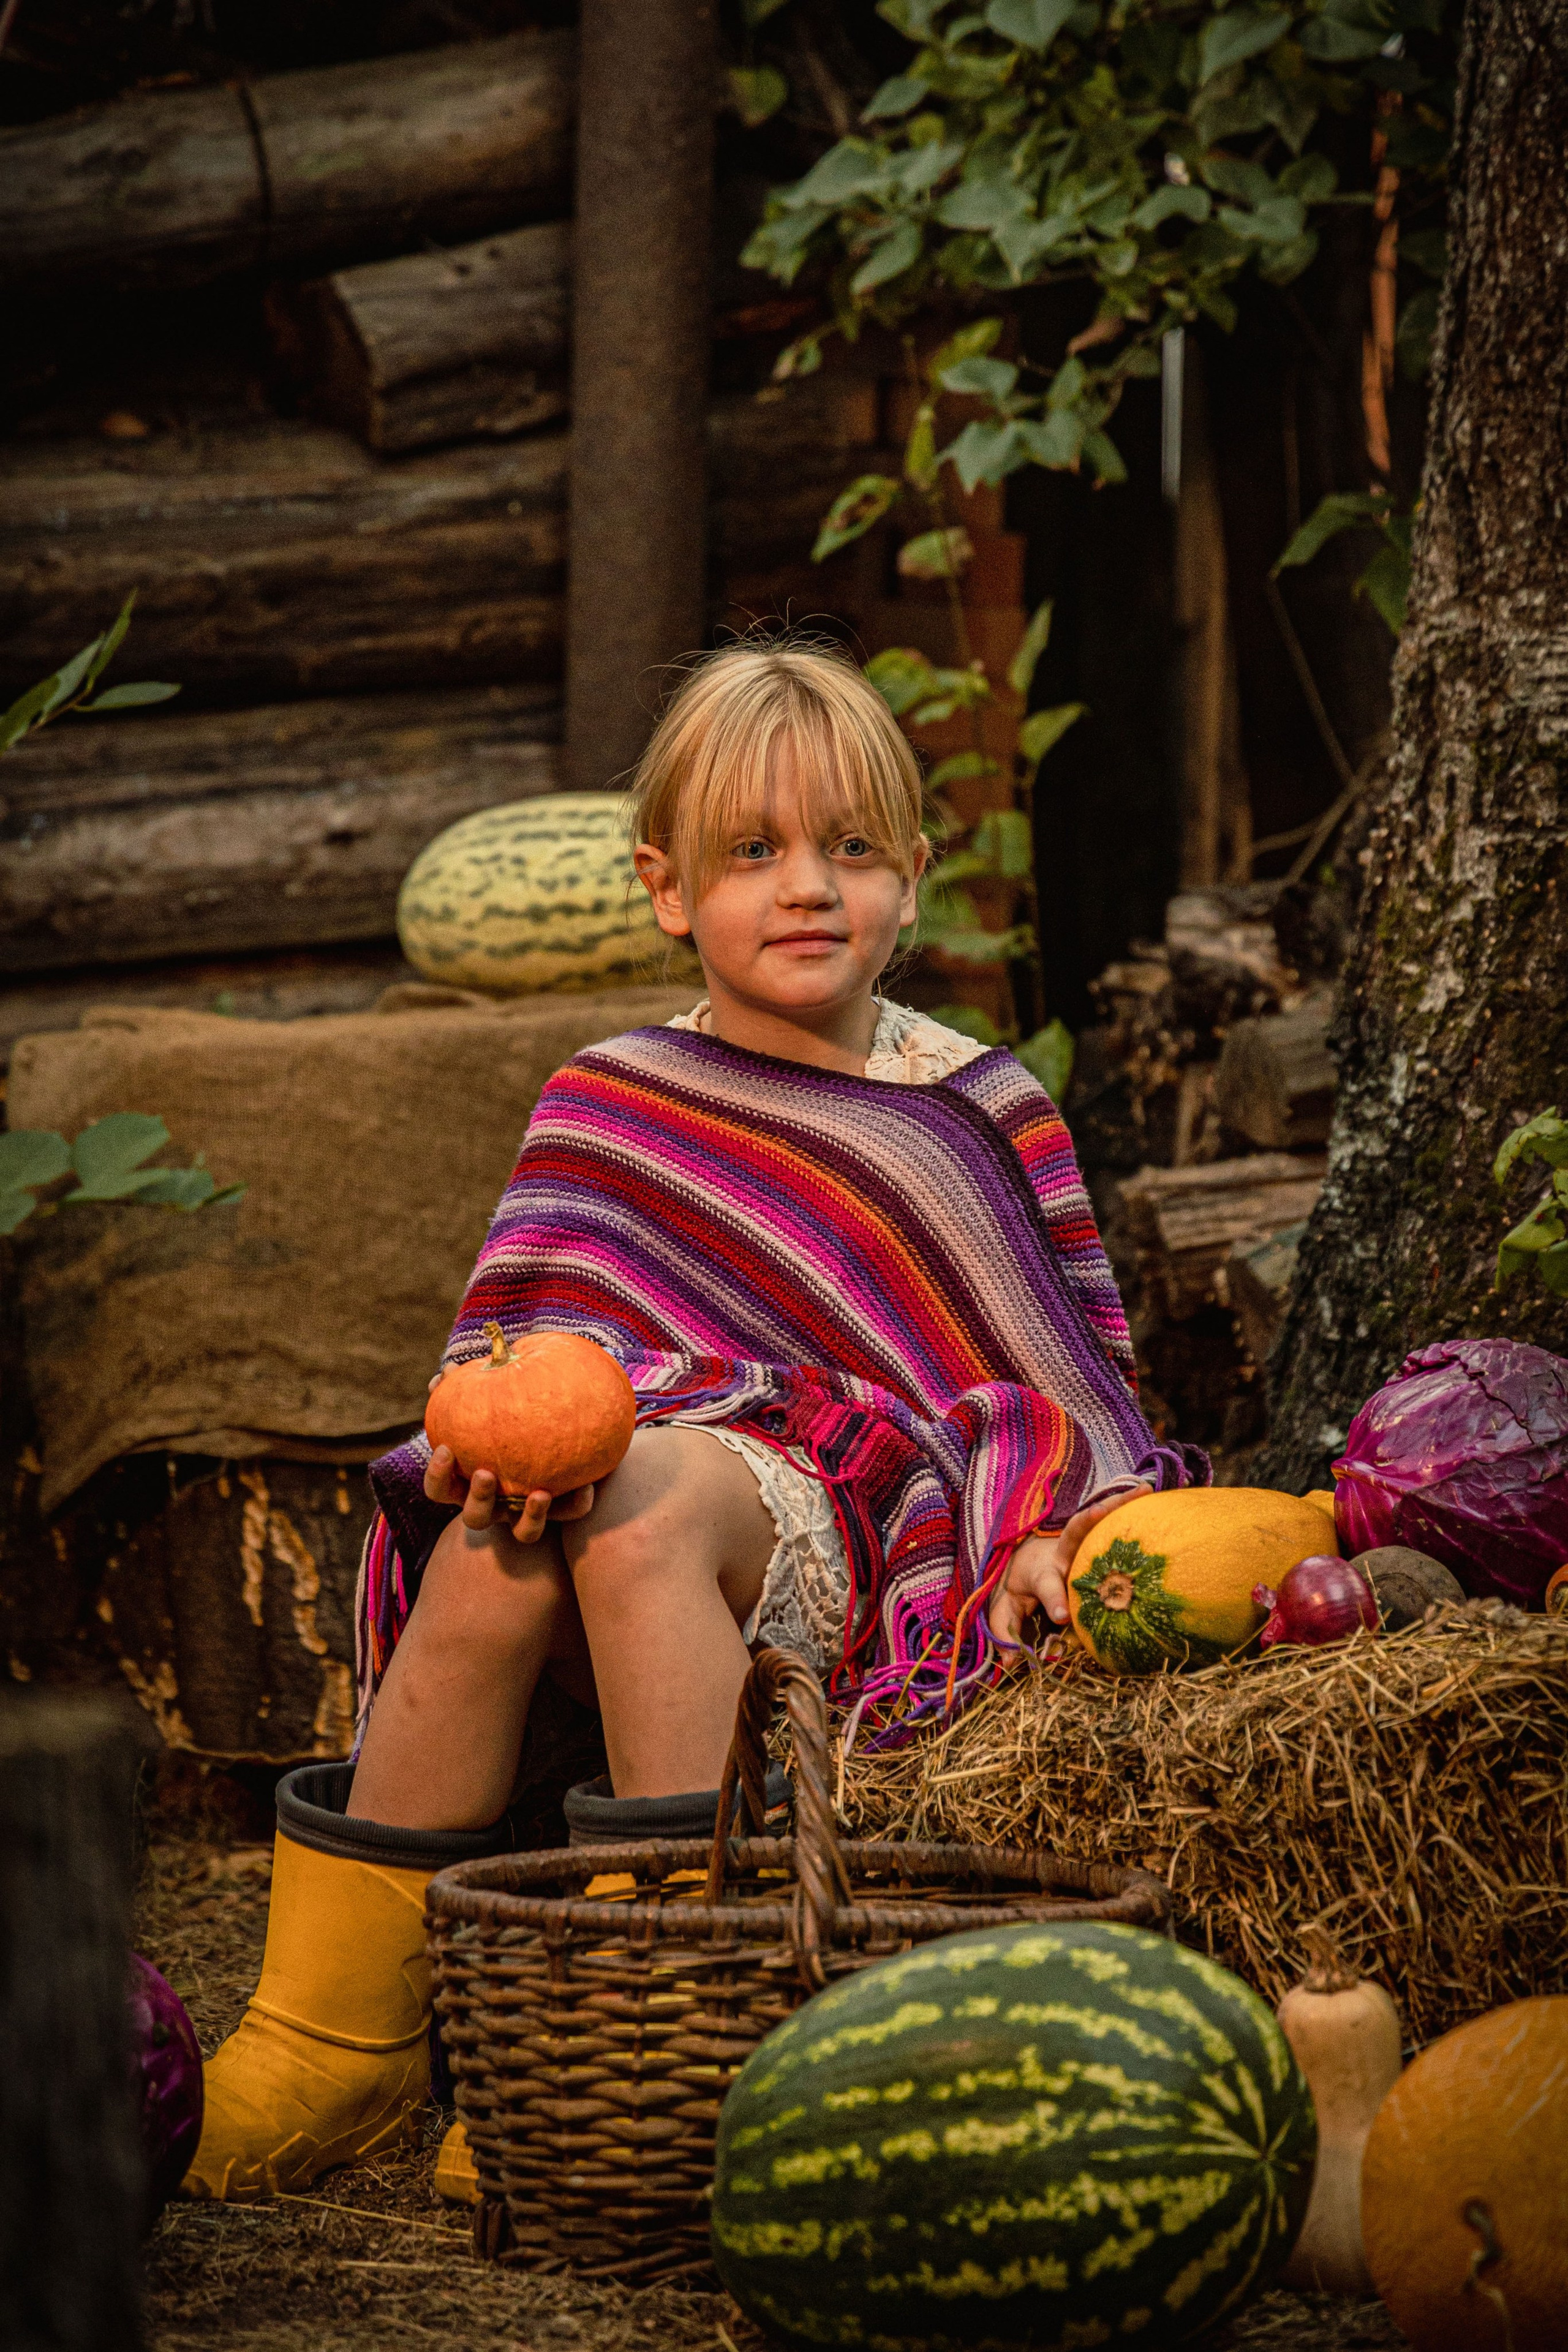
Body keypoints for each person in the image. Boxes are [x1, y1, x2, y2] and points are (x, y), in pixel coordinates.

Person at [184, 638, 1203, 2203]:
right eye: (754, 853)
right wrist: (488, 1445)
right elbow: (516, 1344)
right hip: (609, 1492)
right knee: (488, 1545)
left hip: (859, 1535)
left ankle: (666, 2001)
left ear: (912, 877)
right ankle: (340, 2037)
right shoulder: (610, 1093)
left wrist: (1043, 1522)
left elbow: (1047, 1383)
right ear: (667, 890)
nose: (807, 888)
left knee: (643, 1502)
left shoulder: (971, 1105)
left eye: (849, 849)